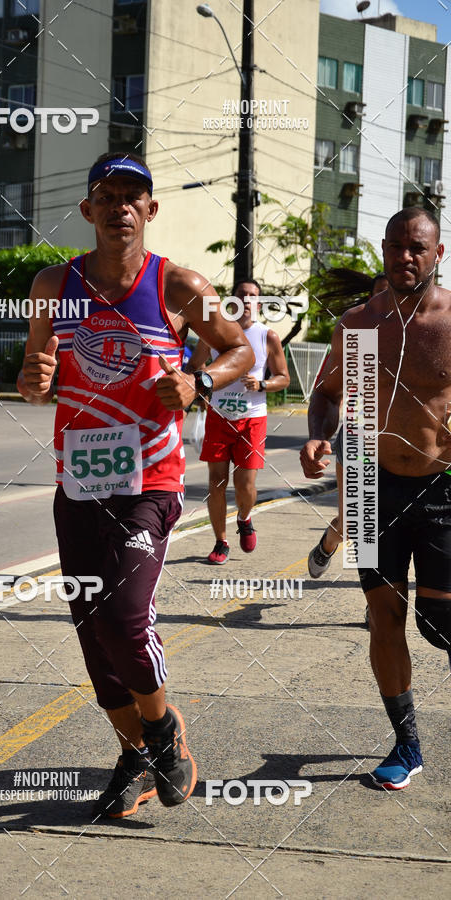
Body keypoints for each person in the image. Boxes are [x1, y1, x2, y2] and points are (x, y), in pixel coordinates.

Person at [17, 152, 254, 818]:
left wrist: (198, 382)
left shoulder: (179, 286)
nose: (122, 206)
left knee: (125, 619)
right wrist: (34, 385)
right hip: (78, 484)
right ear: (89, 210)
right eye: (108, 194)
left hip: (149, 479)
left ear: (149, 211)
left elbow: (242, 351)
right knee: (95, 638)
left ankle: (164, 734)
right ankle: (136, 757)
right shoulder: (50, 285)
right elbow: (39, 376)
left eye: (134, 196)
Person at [300, 208, 451, 791]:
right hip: (367, 478)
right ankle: (407, 745)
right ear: (383, 251)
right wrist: (319, 432)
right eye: (395, 246)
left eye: (417, 248)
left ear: (437, 254)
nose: (404, 257)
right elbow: (327, 395)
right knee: (383, 617)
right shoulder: (360, 324)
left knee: (441, 620)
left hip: (444, 482)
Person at [186, 280, 290, 564]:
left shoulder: (267, 336)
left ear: (259, 303)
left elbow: (284, 378)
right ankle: (220, 541)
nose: (247, 300)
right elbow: (195, 367)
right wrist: (203, 379)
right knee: (216, 481)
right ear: (231, 300)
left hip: (252, 419)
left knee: (244, 484)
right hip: (219, 416)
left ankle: (244, 518)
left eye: (253, 296)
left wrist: (262, 384)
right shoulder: (214, 334)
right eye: (241, 295)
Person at [307, 271, 388, 581]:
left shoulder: (417, 335)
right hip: (357, 437)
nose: (387, 302)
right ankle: (328, 545)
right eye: (379, 295)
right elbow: (326, 392)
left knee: (385, 524)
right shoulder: (355, 335)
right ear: (369, 301)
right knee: (356, 521)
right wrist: (318, 437)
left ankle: (376, 601)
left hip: (401, 444)